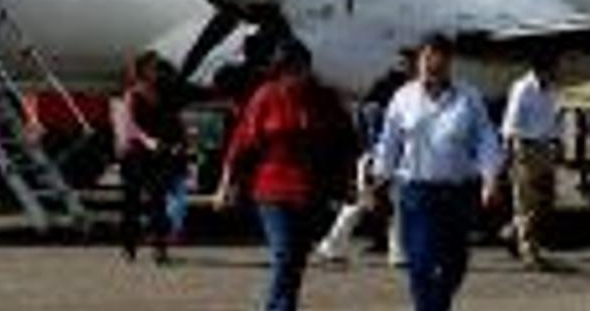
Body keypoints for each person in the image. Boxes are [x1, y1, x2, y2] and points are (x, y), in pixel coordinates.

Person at [214, 38, 359, 311]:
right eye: (289, 70)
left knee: (296, 260)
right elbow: (241, 143)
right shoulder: (265, 96)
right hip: (272, 190)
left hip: (312, 189)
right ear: (279, 70)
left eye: (300, 69)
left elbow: (346, 141)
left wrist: (350, 179)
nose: (295, 76)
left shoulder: (325, 98)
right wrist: (225, 185)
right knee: (285, 253)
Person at [373, 32, 504, 311]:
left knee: (455, 264)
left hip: (457, 193)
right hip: (417, 192)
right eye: (427, 57)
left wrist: (490, 179)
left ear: (449, 62)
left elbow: (485, 139)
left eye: (439, 57)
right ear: (418, 61)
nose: (432, 63)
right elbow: (389, 141)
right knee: (421, 262)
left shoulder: (468, 96)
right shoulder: (403, 98)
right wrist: (379, 176)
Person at [315, 47, 414, 266]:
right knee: (387, 207)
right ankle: (396, 252)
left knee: (369, 206)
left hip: (374, 160)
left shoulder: (371, 103)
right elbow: (380, 138)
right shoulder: (388, 105)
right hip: (381, 161)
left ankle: (334, 245)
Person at [117, 50, 187, 263]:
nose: (156, 70)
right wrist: (148, 141)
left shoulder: (162, 92)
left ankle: (159, 247)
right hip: (136, 154)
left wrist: (178, 143)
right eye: (153, 66)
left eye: (157, 66)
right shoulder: (133, 94)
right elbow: (131, 124)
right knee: (132, 202)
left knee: (158, 201)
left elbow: (173, 120)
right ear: (143, 69)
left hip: (159, 153)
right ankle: (129, 245)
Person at [500, 56, 561, 271]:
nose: (557, 72)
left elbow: (552, 118)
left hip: (544, 147)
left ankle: (512, 233)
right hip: (525, 147)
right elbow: (511, 121)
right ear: (542, 69)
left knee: (545, 201)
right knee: (526, 203)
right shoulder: (523, 88)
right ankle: (529, 254)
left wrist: (556, 142)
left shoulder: (550, 89)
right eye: (553, 68)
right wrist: (509, 152)